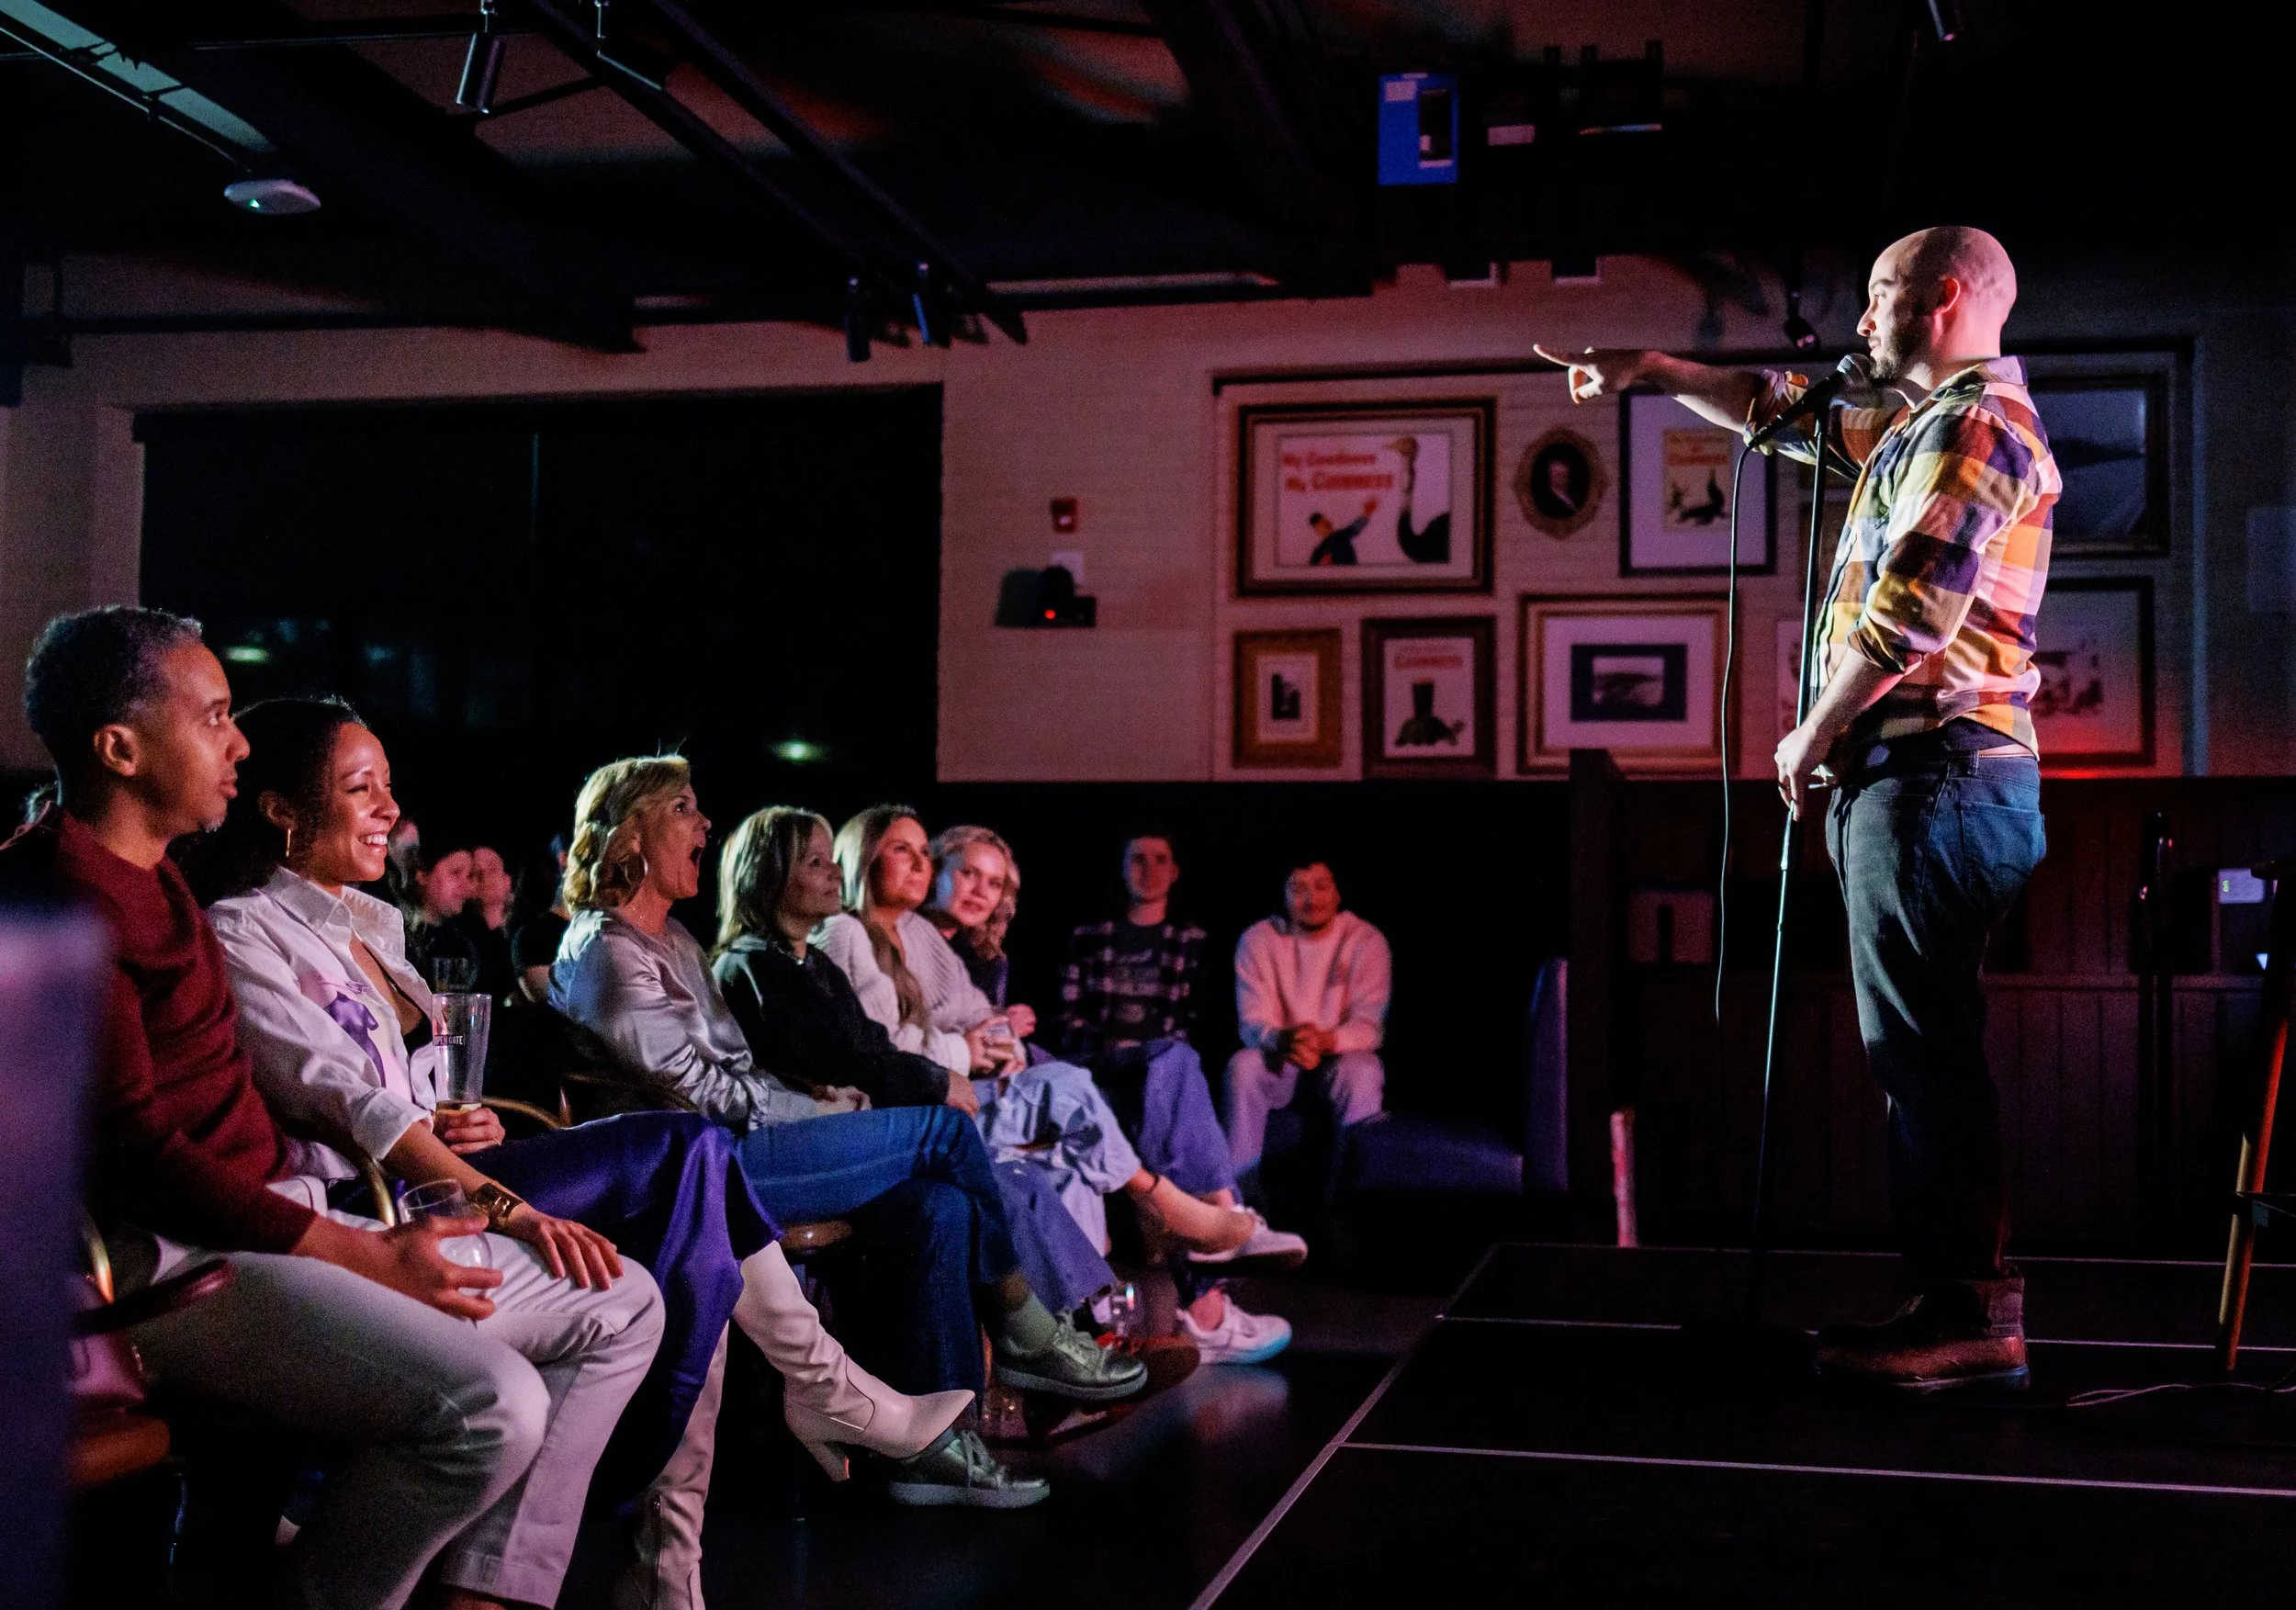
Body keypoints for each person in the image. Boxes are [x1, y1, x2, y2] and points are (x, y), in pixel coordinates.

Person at [187, 698, 971, 1598]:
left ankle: (675, 1553)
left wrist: (453, 1121)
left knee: (699, 1222)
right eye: (360, 788)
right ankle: (811, 1406)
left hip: (439, 1173)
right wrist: (500, 1203)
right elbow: (341, 1098)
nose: (389, 810)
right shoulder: (243, 926)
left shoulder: (373, 927)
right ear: (283, 810)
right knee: (697, 1155)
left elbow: (405, 1096)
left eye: (390, 787)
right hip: (370, 1203)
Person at [0, 606, 661, 1610]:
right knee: (489, 1403)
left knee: (620, 1301)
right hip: (168, 1263)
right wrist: (361, 1250)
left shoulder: (160, 883)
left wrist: (409, 1199)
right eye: (216, 715)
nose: (240, 740)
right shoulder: (61, 894)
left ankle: (485, 1592)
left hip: (276, 1230)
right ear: (120, 747)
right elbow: (138, 1157)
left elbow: (253, 1099)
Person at [1537, 226, 2054, 1392]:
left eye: (1876, 297)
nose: (1858, 319)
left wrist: (1811, 731)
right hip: (1922, 779)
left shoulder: (1972, 424)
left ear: (1941, 298)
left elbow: (1912, 617)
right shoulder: (1918, 426)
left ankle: (1973, 1315)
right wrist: (1659, 375)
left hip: (1938, 772)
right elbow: (1783, 411)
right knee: (1918, 1048)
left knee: (1922, 1052)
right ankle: (1954, 1302)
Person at [548, 757, 1143, 1503]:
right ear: (631, 833)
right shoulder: (606, 947)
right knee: (945, 1135)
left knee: (941, 1204)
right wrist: (831, 1113)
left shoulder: (670, 940)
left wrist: (828, 1108)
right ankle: (1026, 1330)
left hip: (738, 1144)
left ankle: (938, 1446)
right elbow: (702, 1098)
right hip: (703, 1171)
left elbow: (742, 1074)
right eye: (682, 808)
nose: (704, 822)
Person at [919, 822, 1304, 1364]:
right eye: (968, 875)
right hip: (1069, 1069)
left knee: (1172, 1061)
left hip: (1117, 1071)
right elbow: (962, 1041)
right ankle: (1206, 1238)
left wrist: (1001, 1033)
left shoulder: (986, 956)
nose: (982, 891)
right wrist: (998, 1037)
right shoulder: (915, 947)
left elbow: (1199, 1020)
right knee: (1090, 1087)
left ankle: (1203, 1244)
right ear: (931, 871)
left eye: (994, 881)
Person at [818, 808, 1267, 1267]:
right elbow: (877, 1047)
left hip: (960, 1088)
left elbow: (982, 1016)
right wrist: (970, 1047)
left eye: (993, 883)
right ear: (864, 857)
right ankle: (1163, 1206)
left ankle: (1098, 1323)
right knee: (1070, 1083)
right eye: (902, 851)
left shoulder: (926, 937)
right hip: (911, 1110)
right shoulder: (846, 933)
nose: (919, 864)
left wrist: (1002, 1045)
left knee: (1110, 1119)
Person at [1223, 856, 1391, 1207]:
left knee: (1364, 1071)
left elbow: (1369, 1026)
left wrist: (1326, 1040)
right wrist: (1283, 1039)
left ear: (1338, 893)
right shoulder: (1259, 939)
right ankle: (1241, 1201)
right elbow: (1253, 1022)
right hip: (1283, 1063)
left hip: (1337, 1065)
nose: (1311, 900)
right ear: (1283, 895)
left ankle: (1345, 1202)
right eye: (1298, 889)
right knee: (1244, 1065)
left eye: (1321, 887)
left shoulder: (1365, 940)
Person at [1056, 832, 1205, 1061]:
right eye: (1138, 860)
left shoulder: (1192, 942)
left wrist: (1152, 1051)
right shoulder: (1086, 938)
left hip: (1165, 1062)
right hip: (1099, 1060)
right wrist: (1110, 1046)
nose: (1149, 870)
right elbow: (1065, 1017)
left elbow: (1200, 1023)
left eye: (1160, 860)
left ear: (1174, 872)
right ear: (1123, 869)